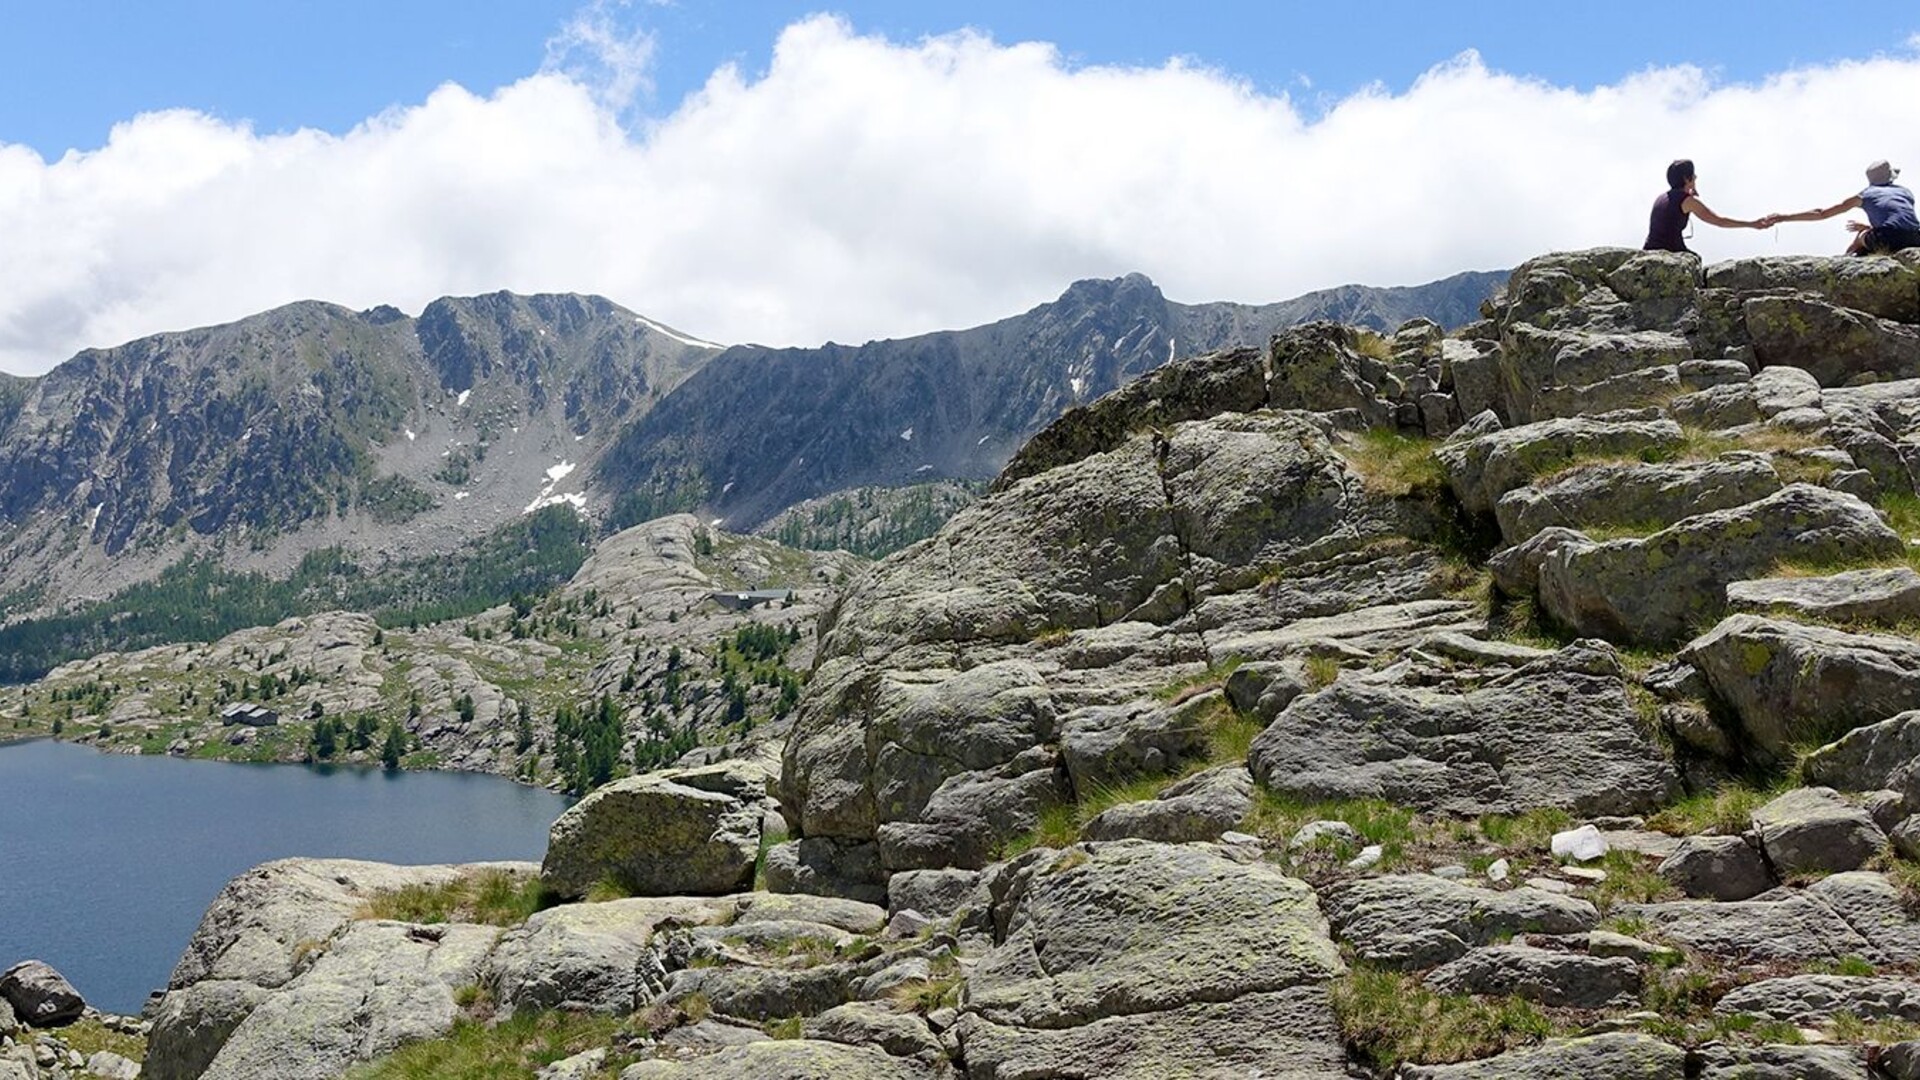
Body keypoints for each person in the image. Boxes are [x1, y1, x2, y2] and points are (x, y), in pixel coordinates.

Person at [1768, 161, 1920, 255]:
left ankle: (1846, 260)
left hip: (1888, 239)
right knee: (1869, 231)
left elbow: (1821, 214)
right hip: (1916, 238)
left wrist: (1783, 217)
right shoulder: (1905, 192)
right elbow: (1900, 220)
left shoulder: (1866, 194)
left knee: (1861, 236)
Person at [1645, 159, 1771, 253]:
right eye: (1692, 175)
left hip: (1649, 249)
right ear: (1686, 178)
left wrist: (1688, 192)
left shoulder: (1661, 198)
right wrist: (1752, 224)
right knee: (1695, 262)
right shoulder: (1688, 202)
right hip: (1669, 251)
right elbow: (1719, 221)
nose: (1695, 177)